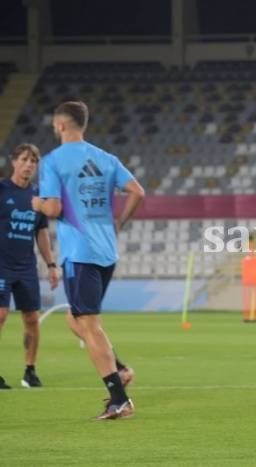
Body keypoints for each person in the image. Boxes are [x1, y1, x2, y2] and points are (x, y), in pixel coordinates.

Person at [32, 101, 145, 420]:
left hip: (79, 252)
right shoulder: (106, 158)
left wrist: (37, 202)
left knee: (89, 323)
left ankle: (119, 398)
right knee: (75, 319)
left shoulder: (54, 161)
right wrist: (119, 223)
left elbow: (53, 209)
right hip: (106, 251)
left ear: (60, 125)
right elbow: (137, 191)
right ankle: (119, 369)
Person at [0, 143, 58, 390]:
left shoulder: (38, 197)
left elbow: (41, 233)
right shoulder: (2, 190)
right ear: (14, 161)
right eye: (24, 159)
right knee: (0, 315)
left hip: (26, 267)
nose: (28, 165)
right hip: (1, 265)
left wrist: (51, 264)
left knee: (32, 319)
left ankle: (30, 371)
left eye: (33, 161)